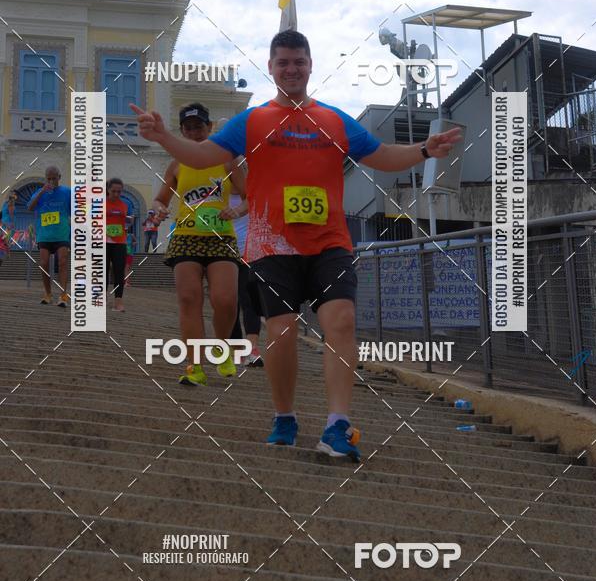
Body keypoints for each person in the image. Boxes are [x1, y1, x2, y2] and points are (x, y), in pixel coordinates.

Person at [131, 30, 462, 461]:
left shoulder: (333, 119)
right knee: (281, 332)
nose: (291, 69)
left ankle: (337, 425)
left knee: (341, 321)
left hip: (329, 243)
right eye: (283, 62)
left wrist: (423, 150)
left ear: (310, 65)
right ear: (271, 68)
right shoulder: (253, 121)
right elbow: (202, 155)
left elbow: (380, 155)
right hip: (273, 245)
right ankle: (284, 415)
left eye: (299, 62)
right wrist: (163, 138)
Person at [152, 103, 247, 386]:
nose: (194, 133)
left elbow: (249, 196)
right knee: (189, 299)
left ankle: (222, 348)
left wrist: (237, 210)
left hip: (221, 238)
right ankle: (194, 366)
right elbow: (160, 198)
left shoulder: (229, 160)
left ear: (209, 129)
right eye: (189, 128)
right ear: (182, 131)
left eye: (199, 127)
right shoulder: (176, 164)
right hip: (185, 238)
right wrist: (158, 209)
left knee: (226, 300)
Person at [215, 118, 264, 368]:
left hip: (249, 250)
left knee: (250, 300)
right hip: (222, 250)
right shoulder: (213, 174)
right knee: (228, 301)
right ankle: (237, 349)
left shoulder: (253, 172)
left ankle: (253, 348)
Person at [27, 166, 71, 306]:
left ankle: (63, 295)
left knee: (62, 262)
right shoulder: (39, 192)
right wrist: (41, 193)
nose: (51, 181)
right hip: (44, 234)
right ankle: (47, 294)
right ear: (45, 178)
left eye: (54, 178)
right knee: (44, 263)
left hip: (61, 233)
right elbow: (30, 208)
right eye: (49, 178)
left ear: (59, 177)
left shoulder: (66, 192)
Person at [106, 177, 131, 312]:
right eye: (113, 191)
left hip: (120, 242)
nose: (116, 194)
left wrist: (129, 221)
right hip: (103, 242)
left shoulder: (125, 205)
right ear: (108, 190)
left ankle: (118, 302)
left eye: (119, 192)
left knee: (119, 272)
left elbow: (127, 222)